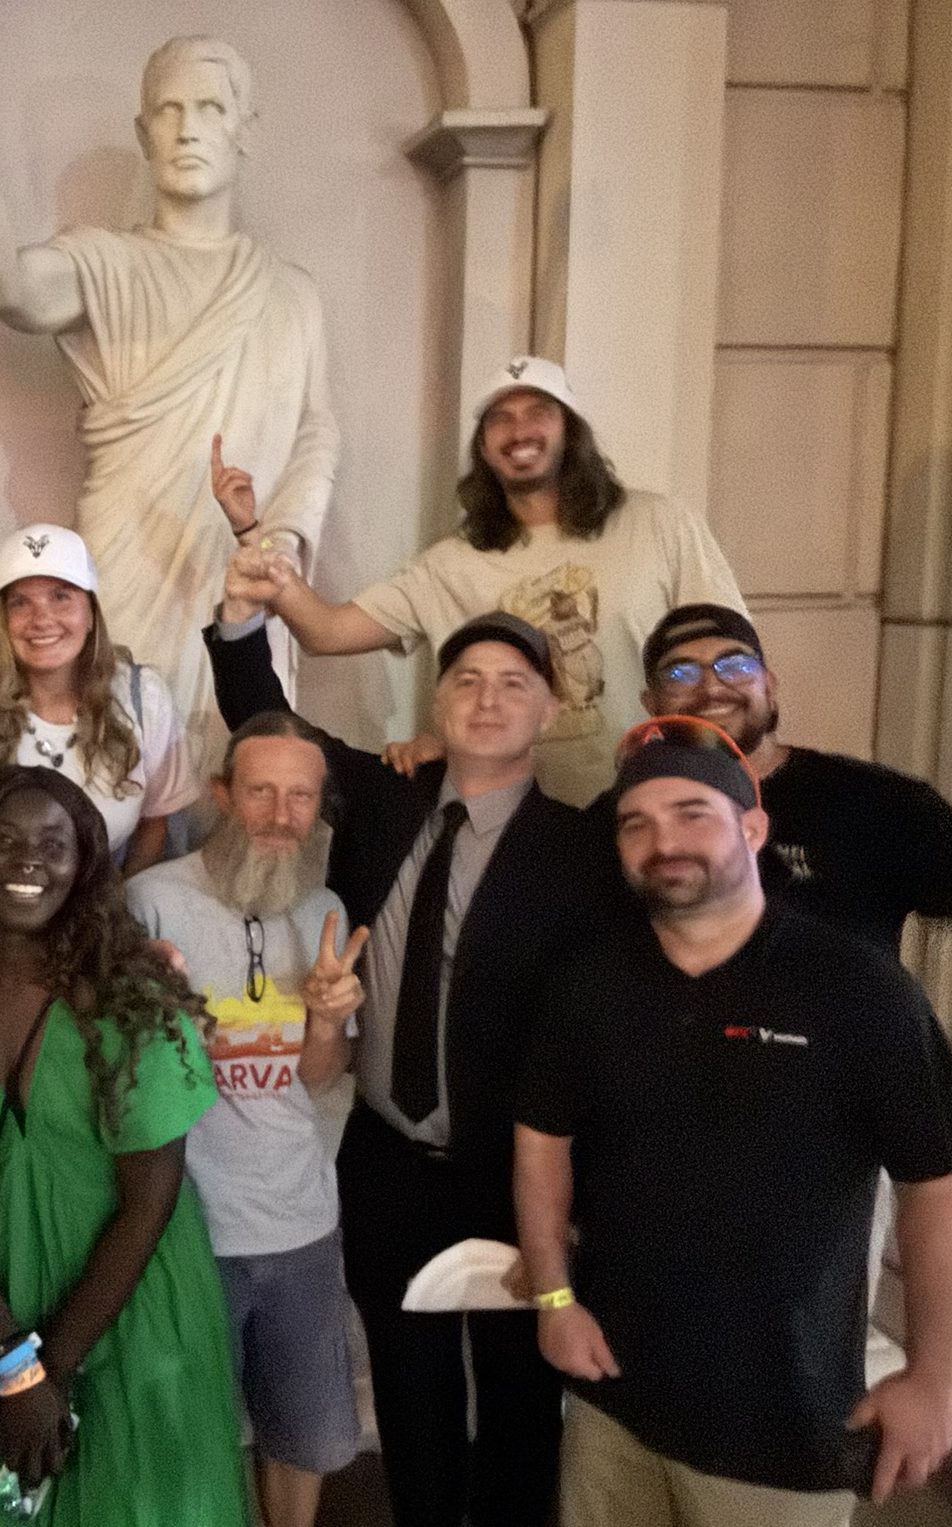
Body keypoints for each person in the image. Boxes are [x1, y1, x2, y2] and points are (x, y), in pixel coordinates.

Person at [515, 716, 952, 1526]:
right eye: (636, 823)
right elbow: (540, 1146)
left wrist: (934, 1376)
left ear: (753, 828)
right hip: (610, 1402)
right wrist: (555, 1300)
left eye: (691, 814)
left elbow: (937, 1190)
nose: (663, 841)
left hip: (785, 1424)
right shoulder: (586, 985)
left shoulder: (860, 989)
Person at [208, 594, 610, 1526]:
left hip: (516, 1171)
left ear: (550, 711)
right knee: (408, 1397)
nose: (487, 699)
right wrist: (240, 619)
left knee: (520, 1405)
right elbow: (270, 725)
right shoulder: (383, 801)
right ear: (436, 703)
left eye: (514, 684)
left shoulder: (582, 850)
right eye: (465, 680)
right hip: (387, 1160)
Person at [0, 0, 339, 740]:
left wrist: (281, 545)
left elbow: (315, 433)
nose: (188, 128)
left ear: (246, 129)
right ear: (144, 132)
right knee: (114, 746)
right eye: (168, 110)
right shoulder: (105, 263)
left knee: (237, 755)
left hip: (246, 568)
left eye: (210, 108)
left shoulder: (290, 292)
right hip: (128, 553)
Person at [0, 765, 246, 1525]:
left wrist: (48, 1371)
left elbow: (149, 1203)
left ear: (84, 864)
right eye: (2, 840)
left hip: (135, 1301)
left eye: (53, 844)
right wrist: (13, 1365)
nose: (29, 860)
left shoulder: (134, 1000)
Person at [220, 356, 743, 803]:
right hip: (516, 830)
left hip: (652, 809)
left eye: (539, 412)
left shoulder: (659, 524)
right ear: (484, 446)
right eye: (500, 419)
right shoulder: (451, 564)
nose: (519, 431)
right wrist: (252, 533)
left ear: (571, 430)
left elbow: (734, 659)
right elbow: (325, 631)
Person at [638, 602, 952, 1099]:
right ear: (651, 704)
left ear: (770, 685)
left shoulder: (867, 802)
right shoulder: (628, 823)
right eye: (681, 673)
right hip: (675, 1114)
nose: (712, 686)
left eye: (735, 665)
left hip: (844, 1117)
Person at [125, 710, 370, 1527]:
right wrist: (168, 1039)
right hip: (184, 1224)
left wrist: (328, 1022)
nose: (280, 815)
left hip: (300, 1220)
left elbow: (318, 1078)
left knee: (306, 1434)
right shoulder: (150, 902)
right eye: (261, 791)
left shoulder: (324, 907)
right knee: (187, 1433)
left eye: (301, 797)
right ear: (223, 794)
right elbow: (113, 1079)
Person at [0, 524, 199, 874]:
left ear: (91, 613)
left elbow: (156, 823)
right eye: (20, 602)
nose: (41, 619)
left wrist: (116, 900)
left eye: (61, 597)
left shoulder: (143, 697)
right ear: (2, 620)